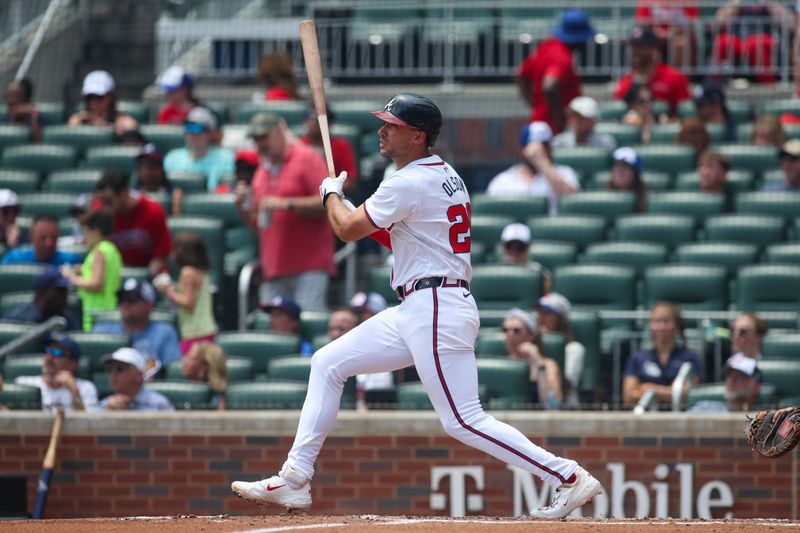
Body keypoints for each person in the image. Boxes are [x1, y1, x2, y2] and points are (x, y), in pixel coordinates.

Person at [231, 93, 602, 518]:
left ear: (418, 136)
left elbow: (346, 230)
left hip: (435, 305)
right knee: (327, 363)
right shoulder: (443, 174)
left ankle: (568, 476)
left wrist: (331, 195)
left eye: (392, 125)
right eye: (383, 123)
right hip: (421, 303)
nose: (381, 131)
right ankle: (294, 478)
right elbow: (398, 235)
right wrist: (349, 206)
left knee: (462, 420)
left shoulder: (408, 180)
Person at [234, 113, 334, 311]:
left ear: (280, 132)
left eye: (264, 136)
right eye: (256, 138)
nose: (260, 143)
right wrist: (241, 207)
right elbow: (258, 225)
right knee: (274, 339)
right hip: (273, 269)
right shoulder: (262, 171)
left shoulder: (307, 158)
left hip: (309, 267)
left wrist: (287, 203)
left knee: (307, 329)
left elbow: (328, 203)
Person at [516, 9, 596, 134]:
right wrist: (559, 119)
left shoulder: (547, 46)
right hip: (552, 129)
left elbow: (520, 75)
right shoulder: (562, 57)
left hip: (539, 123)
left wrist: (535, 105)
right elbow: (549, 86)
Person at [93, 278, 182, 380]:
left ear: (150, 304)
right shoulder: (102, 332)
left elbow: (172, 371)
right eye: (122, 299)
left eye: (132, 299)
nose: (125, 304)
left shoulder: (164, 332)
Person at [486, 121, 580, 215]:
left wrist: (543, 163)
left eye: (545, 146)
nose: (540, 151)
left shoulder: (564, 173)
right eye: (534, 146)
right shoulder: (504, 180)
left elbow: (573, 204)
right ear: (522, 149)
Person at [622, 302, 703, 407]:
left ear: (677, 326)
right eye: (657, 321)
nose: (662, 326)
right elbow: (629, 396)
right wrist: (670, 392)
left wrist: (649, 389)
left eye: (666, 321)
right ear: (651, 325)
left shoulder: (690, 358)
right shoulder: (637, 358)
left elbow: (686, 395)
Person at [94, 169, 172, 276]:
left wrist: (143, 279)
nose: (104, 206)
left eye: (108, 201)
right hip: (112, 276)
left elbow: (159, 256)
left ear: (124, 192)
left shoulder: (152, 211)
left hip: (145, 275)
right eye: (101, 201)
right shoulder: (99, 211)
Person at [154, 232, 218, 354]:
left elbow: (188, 303)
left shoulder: (187, 272)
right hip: (207, 330)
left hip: (195, 332)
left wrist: (168, 291)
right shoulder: (201, 272)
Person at [61, 209, 122, 331]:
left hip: (97, 314)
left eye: (86, 231)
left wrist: (70, 278)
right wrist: (83, 271)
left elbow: (96, 284)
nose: (84, 237)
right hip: (109, 311)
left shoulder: (99, 251)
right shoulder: (112, 249)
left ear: (96, 231)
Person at [613, 26, 691, 118]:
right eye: (633, 47)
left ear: (654, 49)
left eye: (641, 47)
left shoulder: (673, 77)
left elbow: (685, 112)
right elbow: (618, 112)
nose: (636, 51)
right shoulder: (625, 82)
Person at [713, 0, 794, 84]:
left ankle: (768, 85)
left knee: (755, 44)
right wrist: (737, 3)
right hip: (738, 39)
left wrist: (769, 3)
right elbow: (719, 21)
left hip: (765, 39)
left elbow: (791, 24)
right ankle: (716, 86)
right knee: (722, 42)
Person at [14, 334, 97, 411]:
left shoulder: (85, 388)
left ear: (73, 364)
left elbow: (86, 425)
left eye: (57, 353)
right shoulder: (23, 385)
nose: (49, 357)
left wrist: (75, 392)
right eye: (48, 350)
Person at [503, 308, 564, 410]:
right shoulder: (501, 365)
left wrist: (538, 361)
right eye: (505, 330)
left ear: (531, 335)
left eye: (516, 331)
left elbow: (553, 406)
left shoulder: (547, 365)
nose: (509, 335)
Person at [163, 106, 235, 192]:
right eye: (188, 127)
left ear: (211, 133)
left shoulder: (226, 158)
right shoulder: (172, 158)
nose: (192, 134)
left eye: (197, 128)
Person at [537, 293, 586, 408]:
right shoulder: (530, 346)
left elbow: (567, 385)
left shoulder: (574, 349)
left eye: (547, 313)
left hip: (565, 408)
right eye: (540, 313)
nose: (541, 317)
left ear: (560, 319)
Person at [300, 104, 359, 194]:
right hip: (302, 197)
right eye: (309, 117)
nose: (312, 122)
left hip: (333, 195)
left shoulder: (341, 145)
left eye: (316, 118)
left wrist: (331, 192)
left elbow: (350, 180)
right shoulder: (298, 144)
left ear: (329, 122)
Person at [92, 348, 174, 411]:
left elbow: (174, 431)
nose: (113, 374)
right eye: (109, 369)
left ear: (138, 375)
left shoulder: (158, 404)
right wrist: (107, 414)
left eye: (119, 369)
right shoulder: (104, 405)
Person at [2, 267, 81, 331]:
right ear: (41, 293)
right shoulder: (15, 320)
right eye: (58, 292)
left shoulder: (69, 320)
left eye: (65, 292)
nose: (64, 296)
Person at [67, 70, 138, 138]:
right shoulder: (79, 120)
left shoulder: (124, 121)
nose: (93, 102)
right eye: (89, 97)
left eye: (99, 97)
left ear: (110, 96)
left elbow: (131, 130)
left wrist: (106, 126)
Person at [688, 353, 763, 413]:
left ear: (756, 386)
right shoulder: (703, 409)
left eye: (739, 376)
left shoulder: (763, 419)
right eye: (729, 375)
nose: (732, 381)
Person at [0, 215, 82, 266]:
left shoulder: (72, 261)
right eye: (43, 238)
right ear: (31, 239)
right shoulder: (13, 259)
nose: (49, 243)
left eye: (53, 237)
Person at [134, 143, 183, 216]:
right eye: (142, 165)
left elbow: (177, 222)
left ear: (161, 169)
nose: (146, 170)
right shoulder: (132, 195)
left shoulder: (174, 194)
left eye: (151, 165)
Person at [552, 96, 616, 150]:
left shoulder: (606, 143)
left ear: (593, 121)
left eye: (581, 117)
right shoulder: (559, 142)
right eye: (573, 116)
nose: (576, 120)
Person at [181, 341, 228, 410]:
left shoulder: (218, 399)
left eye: (190, 358)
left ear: (204, 367)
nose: (185, 360)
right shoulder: (182, 390)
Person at [609, 147, 647, 212]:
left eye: (625, 167)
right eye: (617, 166)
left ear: (635, 173)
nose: (620, 172)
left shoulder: (646, 200)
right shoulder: (605, 197)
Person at [4, 78, 42, 142]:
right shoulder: (3, 118)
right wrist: (13, 118)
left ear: (27, 98)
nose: (10, 100)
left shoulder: (36, 117)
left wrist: (34, 112)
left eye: (16, 96)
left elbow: (38, 143)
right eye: (8, 96)